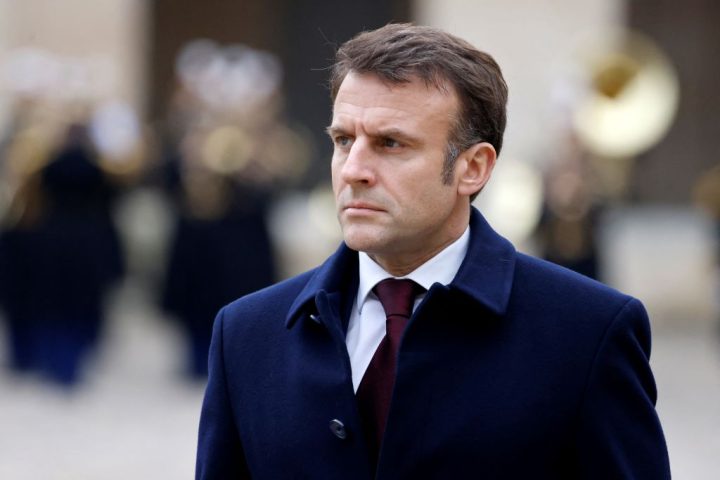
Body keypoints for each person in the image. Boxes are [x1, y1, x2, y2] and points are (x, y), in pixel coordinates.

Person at [196, 23, 670, 479]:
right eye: (343, 140)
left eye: (390, 143)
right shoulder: (244, 334)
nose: (353, 169)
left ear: (473, 167)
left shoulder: (588, 333)